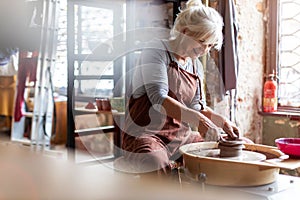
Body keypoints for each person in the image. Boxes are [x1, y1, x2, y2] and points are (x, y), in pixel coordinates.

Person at [121, 0, 242, 176]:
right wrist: (199, 122)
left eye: (210, 45)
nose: (205, 50)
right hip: (145, 135)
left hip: (180, 137)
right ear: (185, 32)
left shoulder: (195, 66)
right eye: (202, 42)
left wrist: (223, 122)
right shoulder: (155, 51)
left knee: (219, 151)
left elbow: (197, 107)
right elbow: (158, 99)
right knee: (156, 162)